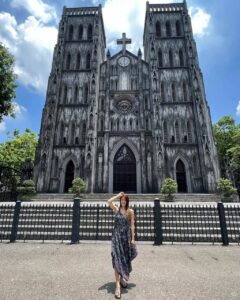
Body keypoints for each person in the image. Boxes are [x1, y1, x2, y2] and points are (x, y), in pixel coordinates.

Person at [108, 191, 138, 299]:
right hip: (116, 238)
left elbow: (132, 226)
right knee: (116, 259)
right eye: (122, 200)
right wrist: (118, 195)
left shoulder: (130, 212)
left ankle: (121, 279)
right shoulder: (116, 209)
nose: (123, 201)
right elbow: (109, 201)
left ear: (127, 201)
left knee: (124, 259)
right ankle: (117, 287)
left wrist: (133, 239)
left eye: (125, 200)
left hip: (125, 239)